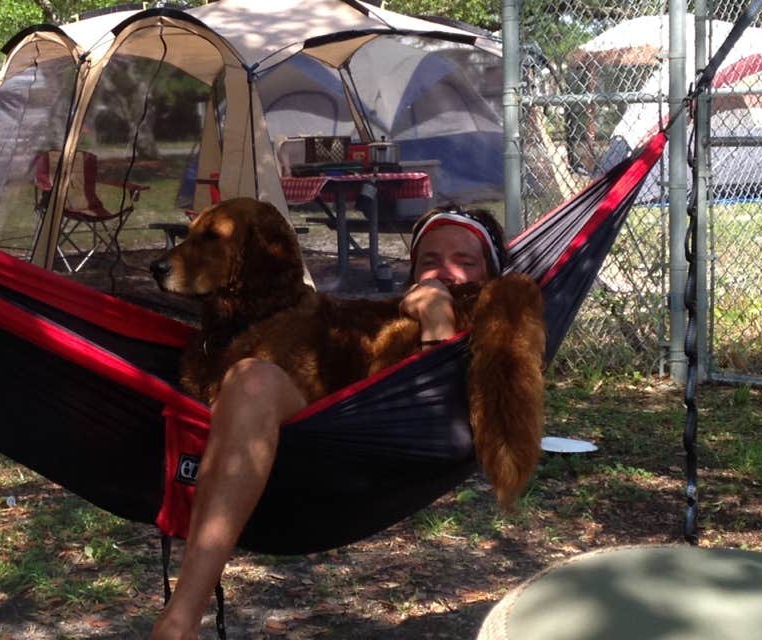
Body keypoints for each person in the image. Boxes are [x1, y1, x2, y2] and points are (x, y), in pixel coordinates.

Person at [150, 207, 510, 640]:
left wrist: (438, 325)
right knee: (251, 379)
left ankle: (179, 621)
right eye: (429, 260)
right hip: (300, 422)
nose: (444, 271)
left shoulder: (500, 332)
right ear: (412, 273)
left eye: (465, 262)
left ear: (490, 276)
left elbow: (434, 408)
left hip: (363, 450)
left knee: (252, 381)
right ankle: (180, 622)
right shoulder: (384, 315)